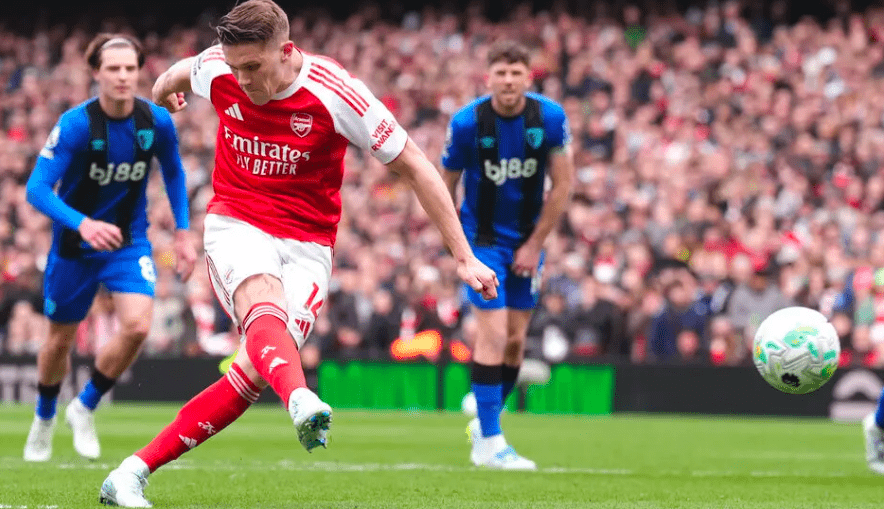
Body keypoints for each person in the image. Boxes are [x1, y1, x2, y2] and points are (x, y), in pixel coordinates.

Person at [99, 1, 498, 506]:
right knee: (263, 303)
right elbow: (173, 76)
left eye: (253, 66)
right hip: (236, 221)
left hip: (309, 243)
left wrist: (463, 256)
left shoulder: (336, 93)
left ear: (286, 52)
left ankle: (130, 473)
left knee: (252, 371)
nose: (242, 79)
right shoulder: (219, 66)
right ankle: (300, 397)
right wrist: (163, 93)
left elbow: (416, 166)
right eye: (235, 66)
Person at [22, 33, 196, 463]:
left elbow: (174, 173)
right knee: (59, 341)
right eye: (113, 68)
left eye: (130, 69)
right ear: (96, 73)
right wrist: (83, 223)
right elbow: (37, 189)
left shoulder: (155, 121)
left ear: (139, 72)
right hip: (74, 246)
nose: (123, 76)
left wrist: (183, 231)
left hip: (127, 241)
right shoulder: (76, 125)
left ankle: (84, 406)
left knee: (138, 326)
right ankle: (44, 418)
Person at [441, 39, 574, 470]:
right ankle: (490, 442)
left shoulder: (549, 118)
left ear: (528, 77)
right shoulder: (467, 123)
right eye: (501, 72)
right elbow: (444, 185)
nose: (509, 80)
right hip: (481, 242)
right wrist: (459, 249)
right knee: (494, 335)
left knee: (516, 341)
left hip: (527, 242)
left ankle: (484, 422)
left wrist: (535, 244)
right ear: (489, 78)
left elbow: (563, 184)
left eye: (516, 72)